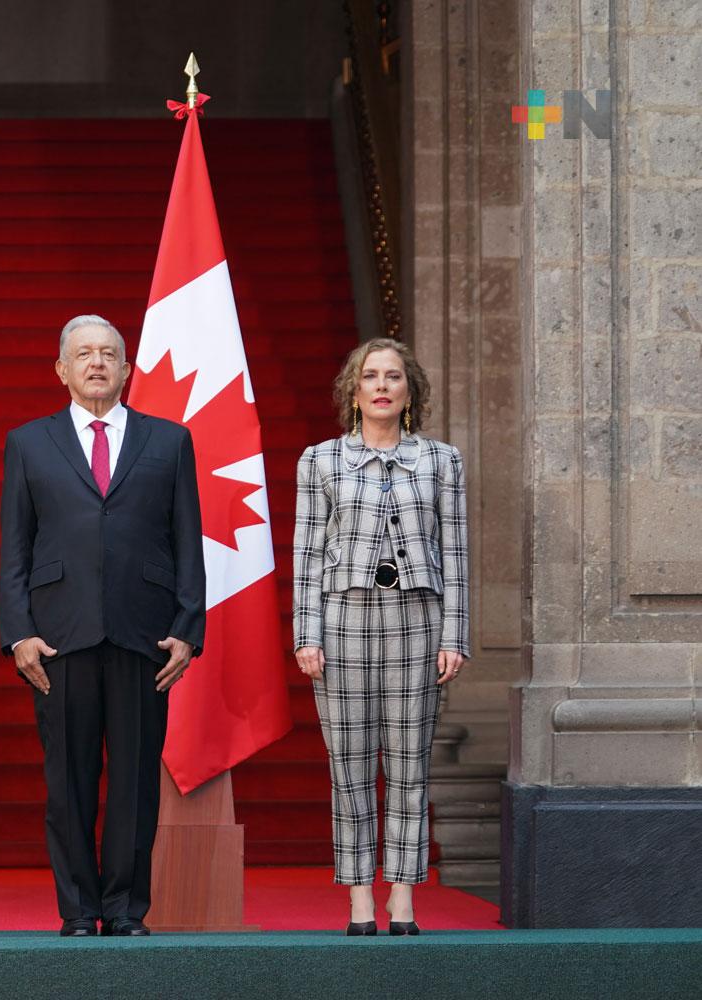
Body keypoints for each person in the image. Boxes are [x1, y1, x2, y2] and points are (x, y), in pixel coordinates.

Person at [0, 315, 206, 938]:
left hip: (145, 635)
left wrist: (188, 627)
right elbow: (16, 546)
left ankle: (124, 908)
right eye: (83, 354)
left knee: (136, 782)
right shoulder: (29, 443)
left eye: (108, 354)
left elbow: (188, 541)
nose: (96, 363)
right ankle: (77, 909)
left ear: (126, 369)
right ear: (61, 369)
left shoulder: (169, 441)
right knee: (68, 783)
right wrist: (18, 632)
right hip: (59, 634)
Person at [292, 336, 469, 937]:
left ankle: (403, 896)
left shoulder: (442, 462)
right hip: (342, 624)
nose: (383, 385)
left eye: (394, 376)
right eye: (371, 376)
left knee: (410, 767)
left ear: (409, 389)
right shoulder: (319, 461)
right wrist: (305, 633)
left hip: (417, 623)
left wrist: (456, 634)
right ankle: (359, 897)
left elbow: (457, 553)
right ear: (354, 390)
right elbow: (307, 556)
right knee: (349, 766)